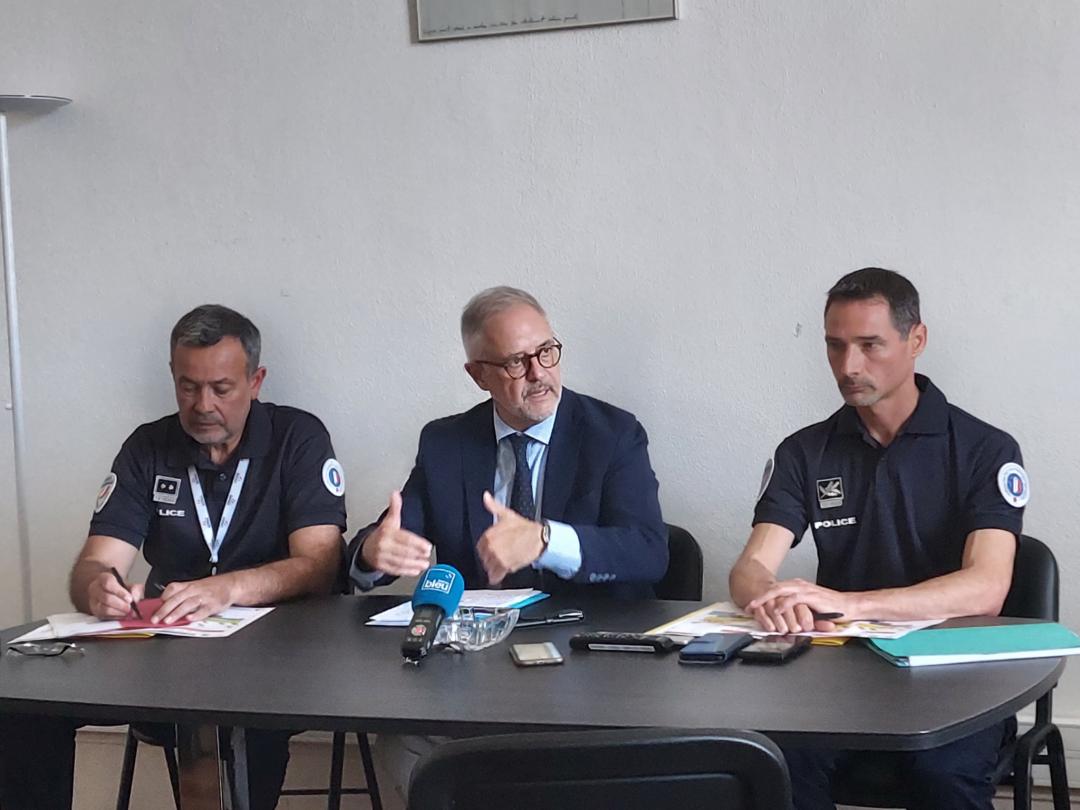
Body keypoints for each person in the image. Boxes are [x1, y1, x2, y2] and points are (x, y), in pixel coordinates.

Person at [0, 304, 347, 810]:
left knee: (242, 723)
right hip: (166, 655)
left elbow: (320, 566)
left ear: (255, 382)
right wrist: (99, 587)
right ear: (173, 376)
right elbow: (96, 563)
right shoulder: (148, 446)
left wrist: (228, 588)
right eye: (188, 387)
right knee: (22, 707)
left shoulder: (298, 437)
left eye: (221, 388)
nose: (203, 404)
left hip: (275, 656)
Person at [348, 285, 668, 809]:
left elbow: (649, 551)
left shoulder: (612, 433)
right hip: (479, 671)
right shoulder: (446, 443)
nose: (540, 373)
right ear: (478, 374)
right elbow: (400, 531)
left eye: (547, 351)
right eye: (517, 362)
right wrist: (372, 552)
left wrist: (544, 540)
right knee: (404, 745)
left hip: (589, 671)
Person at [729, 267, 1027, 810]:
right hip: (839, 674)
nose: (849, 366)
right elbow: (750, 568)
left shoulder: (986, 449)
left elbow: (987, 587)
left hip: (956, 676)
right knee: (771, 761)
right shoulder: (804, 452)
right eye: (835, 346)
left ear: (917, 340)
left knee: (943, 775)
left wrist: (849, 604)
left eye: (870, 345)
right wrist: (771, 599)